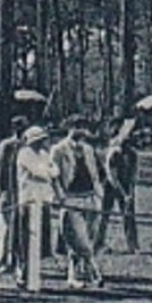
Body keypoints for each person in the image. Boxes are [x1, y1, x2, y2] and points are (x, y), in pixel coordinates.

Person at [51, 119, 105, 288]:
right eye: (78, 127)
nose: (81, 131)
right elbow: (54, 176)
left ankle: (73, 277)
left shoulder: (88, 149)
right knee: (79, 240)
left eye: (84, 127)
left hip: (90, 198)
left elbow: (97, 173)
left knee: (87, 239)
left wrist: (99, 193)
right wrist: (60, 197)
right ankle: (95, 273)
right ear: (70, 128)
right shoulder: (58, 150)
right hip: (71, 198)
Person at [13, 125, 59, 290]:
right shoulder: (24, 154)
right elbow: (40, 172)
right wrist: (47, 170)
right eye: (39, 140)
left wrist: (48, 170)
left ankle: (34, 274)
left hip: (43, 200)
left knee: (40, 240)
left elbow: (55, 171)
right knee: (25, 239)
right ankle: (22, 272)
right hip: (28, 201)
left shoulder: (44, 154)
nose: (42, 143)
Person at [97, 118, 140, 254]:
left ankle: (133, 245)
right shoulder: (113, 154)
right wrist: (123, 193)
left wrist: (130, 194)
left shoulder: (133, 155)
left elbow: (134, 175)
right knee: (104, 215)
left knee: (129, 215)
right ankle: (98, 242)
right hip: (109, 186)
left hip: (126, 186)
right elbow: (112, 176)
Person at [0, 116, 28, 271]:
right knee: (5, 226)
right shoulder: (6, 146)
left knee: (21, 227)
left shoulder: (27, 146)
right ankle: (3, 260)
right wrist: (0, 191)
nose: (21, 131)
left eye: (23, 127)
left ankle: (18, 260)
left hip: (24, 191)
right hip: (8, 190)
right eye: (18, 127)